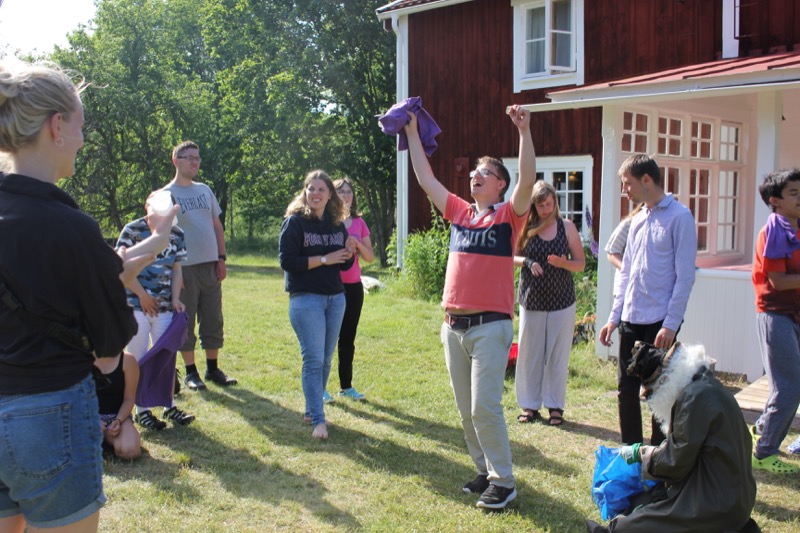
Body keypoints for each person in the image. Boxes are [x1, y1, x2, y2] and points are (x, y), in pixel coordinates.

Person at [0, 60, 171, 533]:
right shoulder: (71, 228)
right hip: (48, 413)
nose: (82, 139)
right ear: (56, 126)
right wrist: (139, 255)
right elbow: (110, 349)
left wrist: (138, 252)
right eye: (80, 125)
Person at [402, 105, 535, 510]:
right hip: (453, 327)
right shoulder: (459, 212)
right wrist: (411, 131)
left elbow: (528, 180)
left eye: (485, 172)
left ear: (500, 185)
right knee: (465, 410)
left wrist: (524, 132)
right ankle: (484, 470)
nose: (475, 174)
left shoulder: (508, 216)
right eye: (474, 171)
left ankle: (504, 482)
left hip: (490, 327)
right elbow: (426, 179)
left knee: (484, 407)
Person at [586, 341, 760, 533]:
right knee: (645, 501)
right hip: (733, 498)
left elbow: (675, 463)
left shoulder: (694, 397)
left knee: (631, 525)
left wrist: (643, 455)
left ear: (664, 382)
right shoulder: (708, 387)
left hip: (715, 504)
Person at [598, 154, 697, 446]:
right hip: (631, 316)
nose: (624, 190)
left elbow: (685, 277)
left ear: (646, 180)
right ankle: (631, 451)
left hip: (660, 320)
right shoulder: (638, 219)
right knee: (626, 389)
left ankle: (657, 454)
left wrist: (671, 324)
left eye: (627, 183)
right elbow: (626, 273)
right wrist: (614, 318)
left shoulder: (680, 217)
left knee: (658, 390)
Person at [279, 170, 356, 440]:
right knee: (312, 360)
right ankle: (319, 420)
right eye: (311, 189)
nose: (315, 194)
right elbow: (288, 262)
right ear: (305, 192)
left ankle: (312, 410)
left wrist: (348, 252)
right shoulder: (295, 223)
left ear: (330, 194)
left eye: (321, 189)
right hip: (306, 299)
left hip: (336, 298)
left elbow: (343, 264)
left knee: (324, 359)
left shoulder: (336, 224)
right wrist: (325, 259)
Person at [117, 192, 195, 430]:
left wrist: (176, 299)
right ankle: (142, 411)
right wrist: (142, 295)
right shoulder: (132, 230)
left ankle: (169, 405)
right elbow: (120, 268)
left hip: (164, 307)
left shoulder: (177, 233)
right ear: (147, 208)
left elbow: (177, 269)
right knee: (138, 357)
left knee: (165, 357)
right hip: (134, 305)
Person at [164, 141, 237, 390]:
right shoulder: (166, 194)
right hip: (184, 269)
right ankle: (190, 372)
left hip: (210, 265)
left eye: (197, 158)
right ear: (176, 160)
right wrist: (174, 271)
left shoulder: (204, 190)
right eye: (189, 157)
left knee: (213, 318)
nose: (195, 162)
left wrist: (221, 258)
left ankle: (213, 369)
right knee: (185, 319)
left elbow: (217, 226)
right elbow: (164, 235)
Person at [514, 180, 585, 427]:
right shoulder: (526, 225)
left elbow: (580, 263)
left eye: (549, 203)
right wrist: (527, 262)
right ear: (533, 205)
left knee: (557, 355)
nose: (545, 209)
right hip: (531, 299)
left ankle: (555, 406)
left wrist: (563, 263)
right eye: (540, 205)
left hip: (561, 301)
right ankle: (530, 405)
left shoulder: (567, 227)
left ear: (555, 201)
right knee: (529, 353)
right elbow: (511, 255)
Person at [750, 168, 800, 474]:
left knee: (791, 385)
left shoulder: (796, 228)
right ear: (775, 201)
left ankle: (760, 430)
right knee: (789, 387)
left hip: (795, 313)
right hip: (775, 314)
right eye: (794, 193)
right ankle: (764, 452)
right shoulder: (772, 232)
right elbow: (778, 281)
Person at [333, 177, 375, 401]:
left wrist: (357, 244)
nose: (346, 195)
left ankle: (346, 387)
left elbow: (370, 257)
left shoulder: (359, 223)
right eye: (341, 191)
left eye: (349, 192)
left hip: (353, 288)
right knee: (326, 338)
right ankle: (320, 388)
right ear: (333, 195)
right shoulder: (327, 221)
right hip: (330, 286)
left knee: (347, 338)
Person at [94, 353, 141, 460]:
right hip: (88, 416)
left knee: (130, 451)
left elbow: (129, 398)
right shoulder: (80, 359)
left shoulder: (128, 360)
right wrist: (91, 419)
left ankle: (106, 439)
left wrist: (118, 420)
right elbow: (75, 399)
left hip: (118, 417)